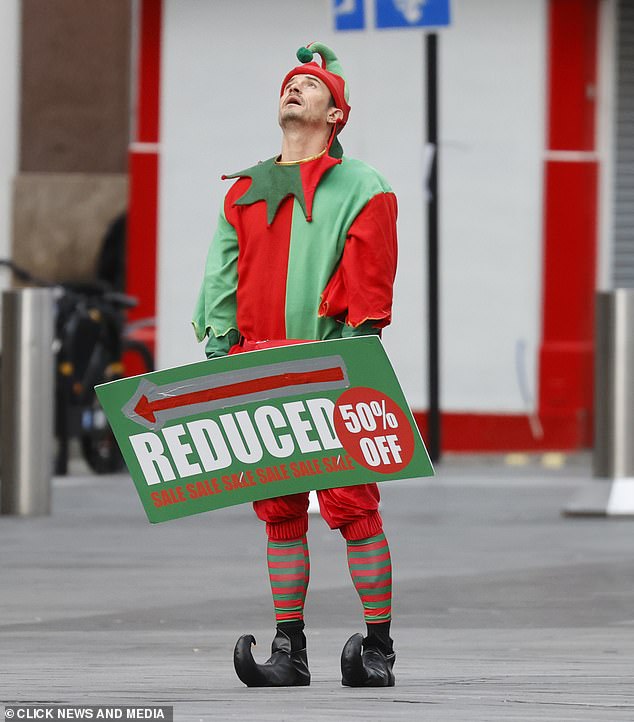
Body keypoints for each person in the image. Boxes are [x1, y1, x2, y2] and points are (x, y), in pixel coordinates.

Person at [192, 42, 398, 688]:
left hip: (332, 364)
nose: (294, 89)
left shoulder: (364, 184)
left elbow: (370, 272)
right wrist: (219, 351)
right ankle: (290, 650)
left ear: (336, 115)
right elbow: (221, 271)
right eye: (289, 82)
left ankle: (377, 650)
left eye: (310, 85)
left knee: (353, 509)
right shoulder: (246, 188)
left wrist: (357, 347)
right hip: (257, 365)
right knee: (280, 513)